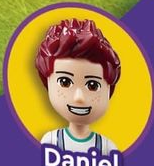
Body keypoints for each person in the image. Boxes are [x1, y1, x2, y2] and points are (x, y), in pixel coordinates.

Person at [36, 17, 122, 157]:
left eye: (93, 85)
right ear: (48, 83)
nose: (79, 97)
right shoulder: (51, 140)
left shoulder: (107, 146)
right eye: (65, 82)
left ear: (108, 89)